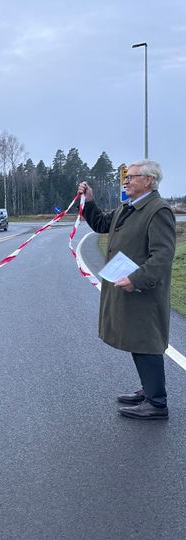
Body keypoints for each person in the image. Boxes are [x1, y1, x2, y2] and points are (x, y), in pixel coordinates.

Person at [78, 159, 176, 420]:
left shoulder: (158, 211)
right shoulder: (129, 208)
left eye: (132, 177)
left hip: (144, 291)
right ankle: (149, 390)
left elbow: (163, 257)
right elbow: (101, 225)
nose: (126, 181)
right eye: (126, 177)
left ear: (149, 181)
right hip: (128, 288)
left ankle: (157, 403)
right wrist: (89, 201)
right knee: (137, 339)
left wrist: (136, 279)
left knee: (147, 342)